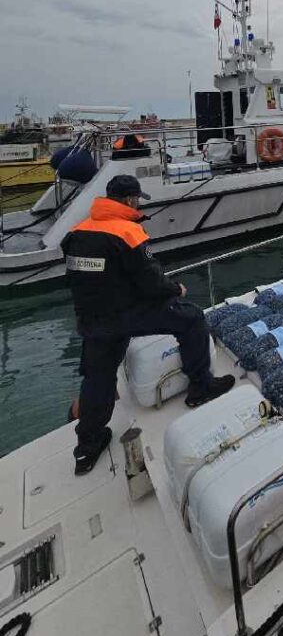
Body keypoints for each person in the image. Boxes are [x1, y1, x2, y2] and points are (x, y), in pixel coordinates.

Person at [62, 174, 235, 475]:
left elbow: (82, 279)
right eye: (137, 200)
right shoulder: (128, 231)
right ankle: (201, 386)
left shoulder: (76, 233)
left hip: (94, 320)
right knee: (192, 318)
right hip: (131, 313)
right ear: (130, 200)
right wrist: (175, 289)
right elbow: (151, 282)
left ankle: (87, 447)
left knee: (97, 377)